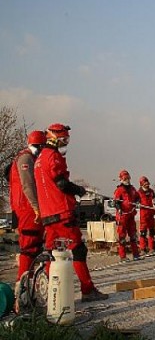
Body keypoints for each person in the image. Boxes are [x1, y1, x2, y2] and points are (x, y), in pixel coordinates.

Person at [34, 123, 108, 302]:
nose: (65, 143)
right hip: (61, 211)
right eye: (63, 139)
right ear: (54, 138)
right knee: (78, 249)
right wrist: (79, 190)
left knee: (52, 252)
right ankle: (88, 290)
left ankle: (52, 294)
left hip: (48, 214)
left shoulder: (39, 158)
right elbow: (61, 184)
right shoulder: (53, 156)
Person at [10, 130, 46, 311]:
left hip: (27, 210)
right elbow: (27, 184)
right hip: (27, 211)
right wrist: (36, 206)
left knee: (35, 249)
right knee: (29, 249)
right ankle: (22, 296)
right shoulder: (26, 160)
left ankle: (28, 293)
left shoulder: (27, 158)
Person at [113, 169, 140, 261]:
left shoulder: (133, 189)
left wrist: (137, 202)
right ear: (121, 179)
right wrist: (119, 208)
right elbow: (116, 202)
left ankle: (136, 254)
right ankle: (122, 256)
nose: (127, 180)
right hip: (122, 216)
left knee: (133, 235)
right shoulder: (119, 190)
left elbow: (137, 197)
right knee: (122, 237)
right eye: (125, 178)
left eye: (128, 178)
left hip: (131, 215)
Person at [138, 176, 155, 253]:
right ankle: (142, 248)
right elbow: (135, 201)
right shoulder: (138, 193)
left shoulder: (151, 191)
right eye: (145, 183)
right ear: (142, 184)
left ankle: (151, 248)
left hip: (151, 213)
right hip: (144, 214)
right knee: (143, 232)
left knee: (152, 231)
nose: (147, 185)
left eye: (147, 183)